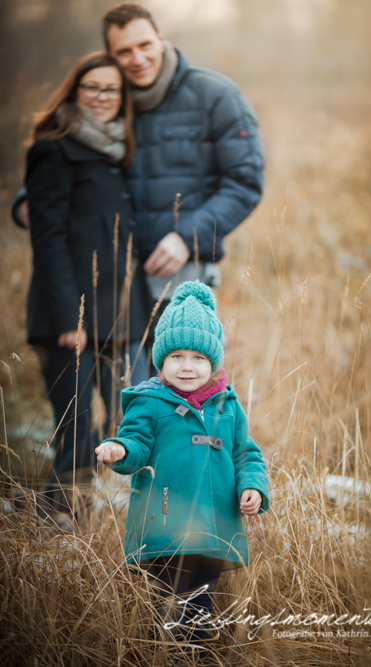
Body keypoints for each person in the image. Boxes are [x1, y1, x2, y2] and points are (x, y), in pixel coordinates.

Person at [13, 2, 265, 374]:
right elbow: (66, 158)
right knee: (128, 400)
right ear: (111, 55)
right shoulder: (110, 99)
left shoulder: (215, 95)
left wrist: (187, 237)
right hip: (111, 283)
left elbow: (245, 182)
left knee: (183, 388)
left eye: (144, 45)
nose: (137, 58)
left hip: (180, 275)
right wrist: (26, 203)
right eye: (124, 51)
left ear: (161, 40)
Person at [95, 280, 270, 658]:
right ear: (161, 361)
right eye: (176, 357)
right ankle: (154, 652)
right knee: (163, 602)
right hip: (164, 525)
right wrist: (118, 449)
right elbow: (137, 443)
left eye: (197, 358)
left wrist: (252, 486)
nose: (187, 367)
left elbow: (246, 454)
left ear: (213, 362)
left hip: (213, 530)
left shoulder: (227, 406)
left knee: (198, 608)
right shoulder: (151, 403)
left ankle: (192, 656)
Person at [25, 51, 150, 520]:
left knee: (126, 417)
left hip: (117, 316)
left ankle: (87, 513)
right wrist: (66, 319)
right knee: (75, 426)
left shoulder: (119, 152)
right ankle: (60, 523)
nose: (101, 97)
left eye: (111, 89)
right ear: (75, 91)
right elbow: (48, 238)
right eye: (92, 87)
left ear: (123, 99)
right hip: (69, 318)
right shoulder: (53, 150)